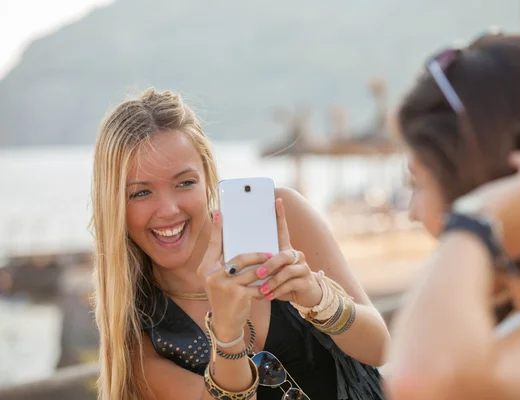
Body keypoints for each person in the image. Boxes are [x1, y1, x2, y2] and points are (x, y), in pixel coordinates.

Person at [90, 88, 389, 400]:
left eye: (185, 183)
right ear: (114, 205)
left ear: (207, 176)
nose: (167, 210)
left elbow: (380, 348)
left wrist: (318, 298)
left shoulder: (280, 215)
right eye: (140, 192)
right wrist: (227, 334)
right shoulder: (142, 333)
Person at [387, 32, 520, 399]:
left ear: (491, 187)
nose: (413, 212)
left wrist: (474, 227)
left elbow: (419, 383)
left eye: (418, 183)